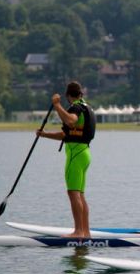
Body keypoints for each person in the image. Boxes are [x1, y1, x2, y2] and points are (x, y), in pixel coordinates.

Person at [36, 81, 96, 238]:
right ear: (80, 93)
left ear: (68, 96)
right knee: (80, 194)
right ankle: (86, 232)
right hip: (85, 153)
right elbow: (65, 134)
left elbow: (70, 120)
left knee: (73, 193)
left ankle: (78, 232)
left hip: (75, 154)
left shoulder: (76, 107)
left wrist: (56, 105)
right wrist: (44, 134)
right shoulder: (87, 107)